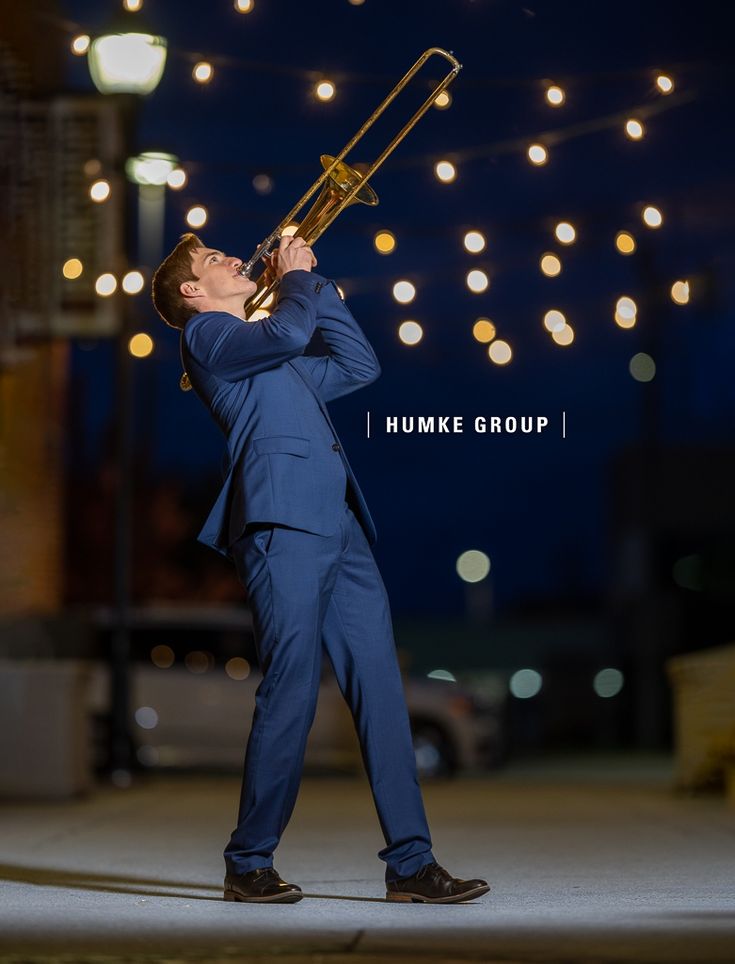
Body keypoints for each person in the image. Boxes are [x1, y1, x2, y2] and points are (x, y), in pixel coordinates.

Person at [151, 232, 490, 904]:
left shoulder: (268, 348)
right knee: (293, 690)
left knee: (382, 696)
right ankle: (248, 862)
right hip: (283, 526)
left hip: (339, 526)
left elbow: (359, 364)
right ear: (192, 291)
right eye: (214, 260)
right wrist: (295, 280)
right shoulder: (208, 338)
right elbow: (282, 335)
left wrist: (315, 279)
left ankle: (411, 865)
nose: (231, 259)